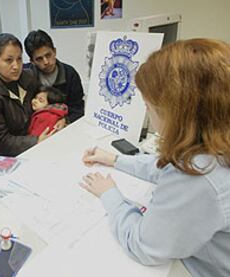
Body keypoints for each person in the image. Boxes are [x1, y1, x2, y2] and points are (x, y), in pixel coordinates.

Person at [80, 39, 230, 277]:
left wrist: (110, 194)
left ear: (177, 113)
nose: (148, 113)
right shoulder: (215, 140)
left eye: (149, 106)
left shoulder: (201, 177)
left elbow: (143, 245)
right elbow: (167, 166)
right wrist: (115, 160)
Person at [0, 33, 55, 156]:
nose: (16, 66)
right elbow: (1, 141)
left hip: (38, 142)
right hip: (13, 155)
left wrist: (61, 118)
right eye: (8, 60)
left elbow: (47, 100)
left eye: (19, 59)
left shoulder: (29, 76)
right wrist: (36, 141)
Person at [24, 29, 84, 124]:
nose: (46, 62)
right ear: (32, 61)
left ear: (54, 51)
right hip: (34, 128)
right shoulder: (25, 75)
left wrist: (65, 121)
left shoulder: (70, 74)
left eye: (48, 55)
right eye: (39, 59)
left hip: (64, 129)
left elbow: (78, 109)